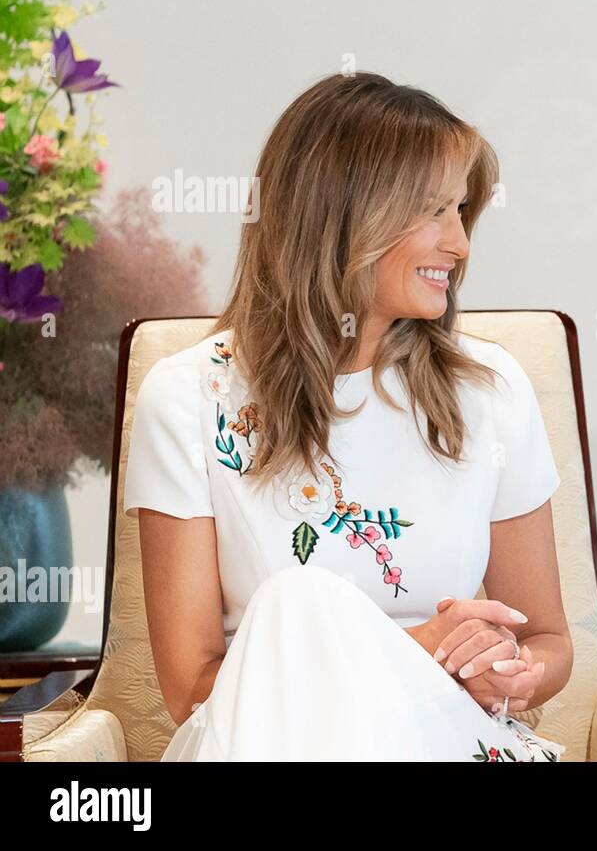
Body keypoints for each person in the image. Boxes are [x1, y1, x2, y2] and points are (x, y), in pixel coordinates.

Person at [123, 72, 571, 761]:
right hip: (264, 738)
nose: (460, 245)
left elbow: (549, 639)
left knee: (298, 603)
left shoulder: (493, 392)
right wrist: (408, 654)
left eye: (460, 211)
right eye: (433, 212)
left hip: (445, 734)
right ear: (342, 217)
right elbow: (192, 691)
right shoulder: (186, 397)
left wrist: (511, 673)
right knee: (295, 603)